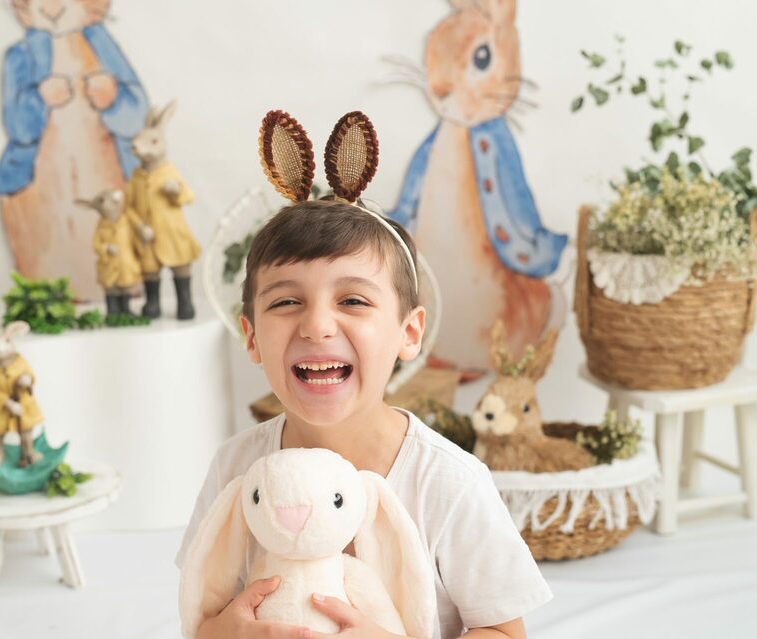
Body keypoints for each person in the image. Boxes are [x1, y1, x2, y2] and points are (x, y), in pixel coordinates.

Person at [175, 111, 552, 639]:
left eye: (352, 300)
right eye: (286, 301)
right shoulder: (235, 468)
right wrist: (222, 634)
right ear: (252, 337)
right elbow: (201, 614)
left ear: (408, 333)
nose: (317, 325)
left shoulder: (448, 482)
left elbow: (506, 633)